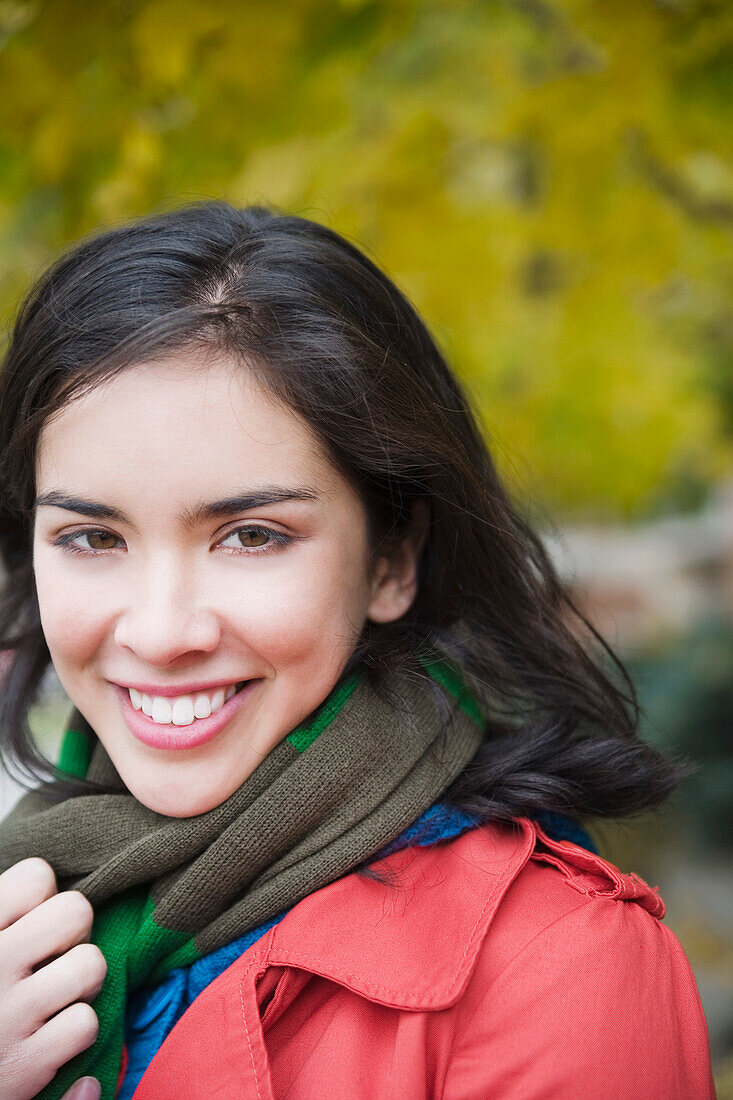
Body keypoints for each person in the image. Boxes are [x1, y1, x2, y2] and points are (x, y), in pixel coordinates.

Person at [0, 201, 714, 1100]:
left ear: (391, 559)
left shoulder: (563, 965)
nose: (160, 632)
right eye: (93, 538)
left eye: (251, 534)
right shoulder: (30, 898)